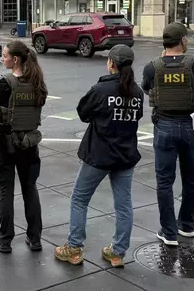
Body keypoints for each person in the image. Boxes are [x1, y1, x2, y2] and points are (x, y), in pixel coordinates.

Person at [54, 45, 144, 268]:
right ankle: (117, 252)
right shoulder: (137, 92)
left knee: (79, 198)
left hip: (99, 155)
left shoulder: (101, 90)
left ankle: (74, 248)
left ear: (111, 63)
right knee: (123, 205)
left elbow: (83, 113)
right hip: (125, 155)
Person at [141, 22, 194, 247]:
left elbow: (148, 89)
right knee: (191, 179)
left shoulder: (152, 67)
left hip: (164, 127)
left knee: (164, 181)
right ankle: (186, 225)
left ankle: (168, 232)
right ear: (183, 41)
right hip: (191, 127)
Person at [0, 40, 46, 253]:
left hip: (5, 144)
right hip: (29, 143)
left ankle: (5, 240)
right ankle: (35, 238)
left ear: (15, 59)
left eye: (5, 56)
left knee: (6, 191)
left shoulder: (4, 83)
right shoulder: (38, 82)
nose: (3, 59)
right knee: (30, 189)